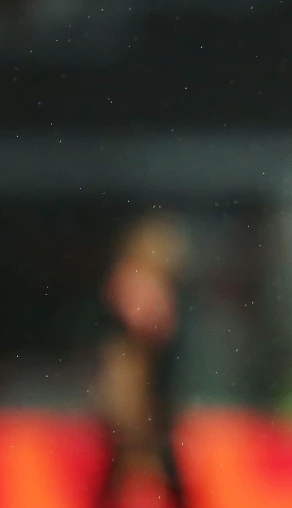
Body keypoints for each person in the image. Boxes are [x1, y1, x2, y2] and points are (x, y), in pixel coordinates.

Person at [95, 214, 190, 508]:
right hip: (133, 381)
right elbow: (146, 324)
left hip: (150, 385)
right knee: (127, 455)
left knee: (156, 458)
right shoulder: (132, 281)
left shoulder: (151, 284)